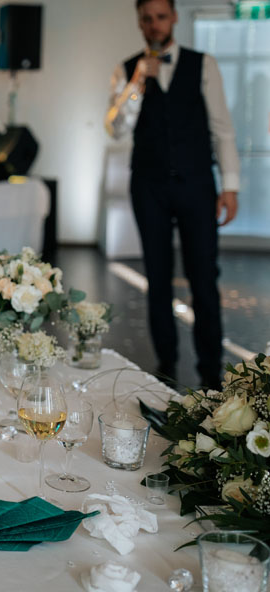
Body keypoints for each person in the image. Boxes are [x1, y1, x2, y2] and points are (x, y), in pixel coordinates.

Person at [105, 0, 239, 388]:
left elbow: (223, 128)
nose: (154, 24)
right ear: (139, 22)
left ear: (174, 18)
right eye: (146, 18)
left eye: (161, 16)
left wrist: (229, 185)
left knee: (203, 276)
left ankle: (211, 375)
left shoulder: (204, 64)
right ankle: (165, 370)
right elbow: (116, 129)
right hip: (148, 186)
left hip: (197, 183)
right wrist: (136, 85)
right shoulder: (126, 69)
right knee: (158, 277)